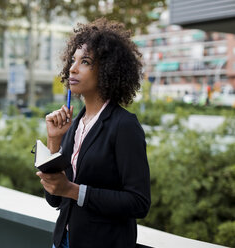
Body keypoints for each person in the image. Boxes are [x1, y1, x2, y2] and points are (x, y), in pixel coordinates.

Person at [36, 18, 151, 248]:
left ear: (108, 69)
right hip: (63, 241)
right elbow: (55, 199)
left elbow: (139, 203)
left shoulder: (124, 126)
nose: (72, 68)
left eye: (85, 61)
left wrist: (74, 190)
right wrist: (54, 141)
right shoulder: (74, 125)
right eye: (73, 60)